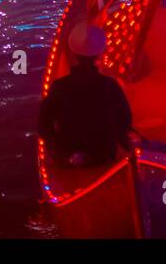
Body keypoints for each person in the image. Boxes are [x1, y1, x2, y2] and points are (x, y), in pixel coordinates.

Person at [37, 23, 134, 167]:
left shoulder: (60, 86)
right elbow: (125, 120)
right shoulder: (109, 85)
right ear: (99, 54)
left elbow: (43, 124)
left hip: (68, 156)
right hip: (103, 155)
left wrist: (62, 151)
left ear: (74, 53)